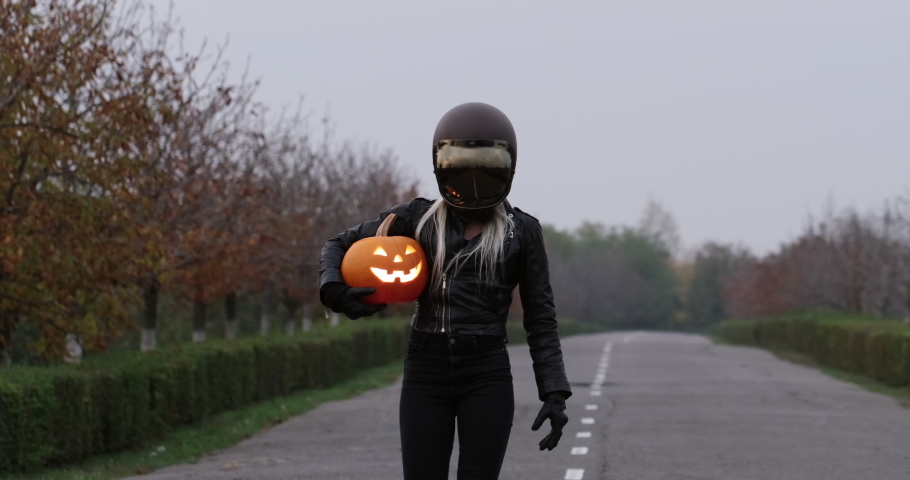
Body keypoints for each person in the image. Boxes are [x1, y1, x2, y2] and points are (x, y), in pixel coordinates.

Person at [319, 102, 572, 480]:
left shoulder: (523, 232)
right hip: (426, 369)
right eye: (461, 163)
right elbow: (338, 244)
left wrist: (554, 391)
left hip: (486, 371)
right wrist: (334, 291)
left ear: (507, 166)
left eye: (486, 164)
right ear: (441, 165)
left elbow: (540, 318)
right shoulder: (416, 219)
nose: (474, 176)